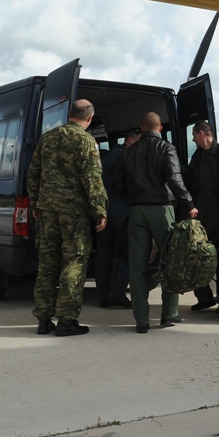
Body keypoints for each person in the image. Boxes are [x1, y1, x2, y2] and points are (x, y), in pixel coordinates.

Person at [27, 99, 108, 337]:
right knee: (74, 262)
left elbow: (33, 173)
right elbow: (92, 179)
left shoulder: (48, 138)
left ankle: (43, 319)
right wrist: (100, 211)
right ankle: (67, 320)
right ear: (89, 118)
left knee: (48, 262)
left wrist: (35, 203)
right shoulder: (86, 141)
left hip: (48, 211)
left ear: (70, 113)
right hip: (74, 214)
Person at [119, 112, 197, 333]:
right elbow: (174, 177)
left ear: (142, 129)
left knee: (137, 265)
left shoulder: (128, 152)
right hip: (162, 210)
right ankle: (169, 314)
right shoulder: (166, 148)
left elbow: (118, 183)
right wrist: (188, 203)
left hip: (136, 211)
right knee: (170, 260)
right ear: (160, 128)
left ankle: (141, 321)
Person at [185, 121, 219, 310]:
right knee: (197, 257)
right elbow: (189, 180)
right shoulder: (197, 156)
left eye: (194, 135)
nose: (192, 139)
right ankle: (204, 298)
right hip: (201, 217)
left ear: (201, 133)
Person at [94, 131, 139, 309]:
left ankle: (102, 295)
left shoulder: (107, 157)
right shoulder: (125, 155)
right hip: (120, 210)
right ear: (129, 140)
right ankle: (117, 294)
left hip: (103, 209)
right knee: (122, 253)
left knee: (103, 253)